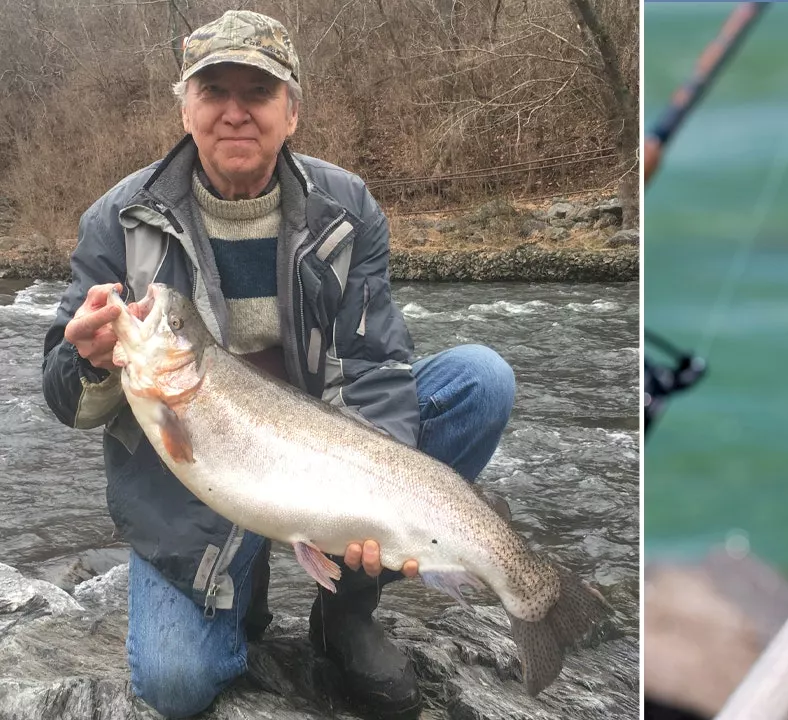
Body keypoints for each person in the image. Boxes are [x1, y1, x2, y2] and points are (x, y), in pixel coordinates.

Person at [40, 10, 516, 720]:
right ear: (186, 106)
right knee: (173, 685)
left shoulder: (346, 207)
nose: (235, 112)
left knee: (481, 379)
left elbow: (380, 366)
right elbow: (67, 405)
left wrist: (383, 516)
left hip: (324, 455)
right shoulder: (120, 218)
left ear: (291, 111)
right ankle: (239, 583)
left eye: (257, 93)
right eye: (214, 92)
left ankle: (346, 607)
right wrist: (92, 360)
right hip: (193, 491)